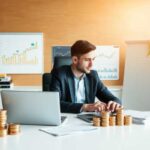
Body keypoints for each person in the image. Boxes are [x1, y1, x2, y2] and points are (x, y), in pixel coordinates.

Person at [50, 40, 122, 113]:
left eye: (93, 59)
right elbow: (54, 104)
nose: (92, 65)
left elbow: (112, 98)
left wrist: (115, 103)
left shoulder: (93, 76)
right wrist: (85, 107)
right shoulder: (59, 74)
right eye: (87, 60)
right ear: (75, 60)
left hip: (87, 121)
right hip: (67, 120)